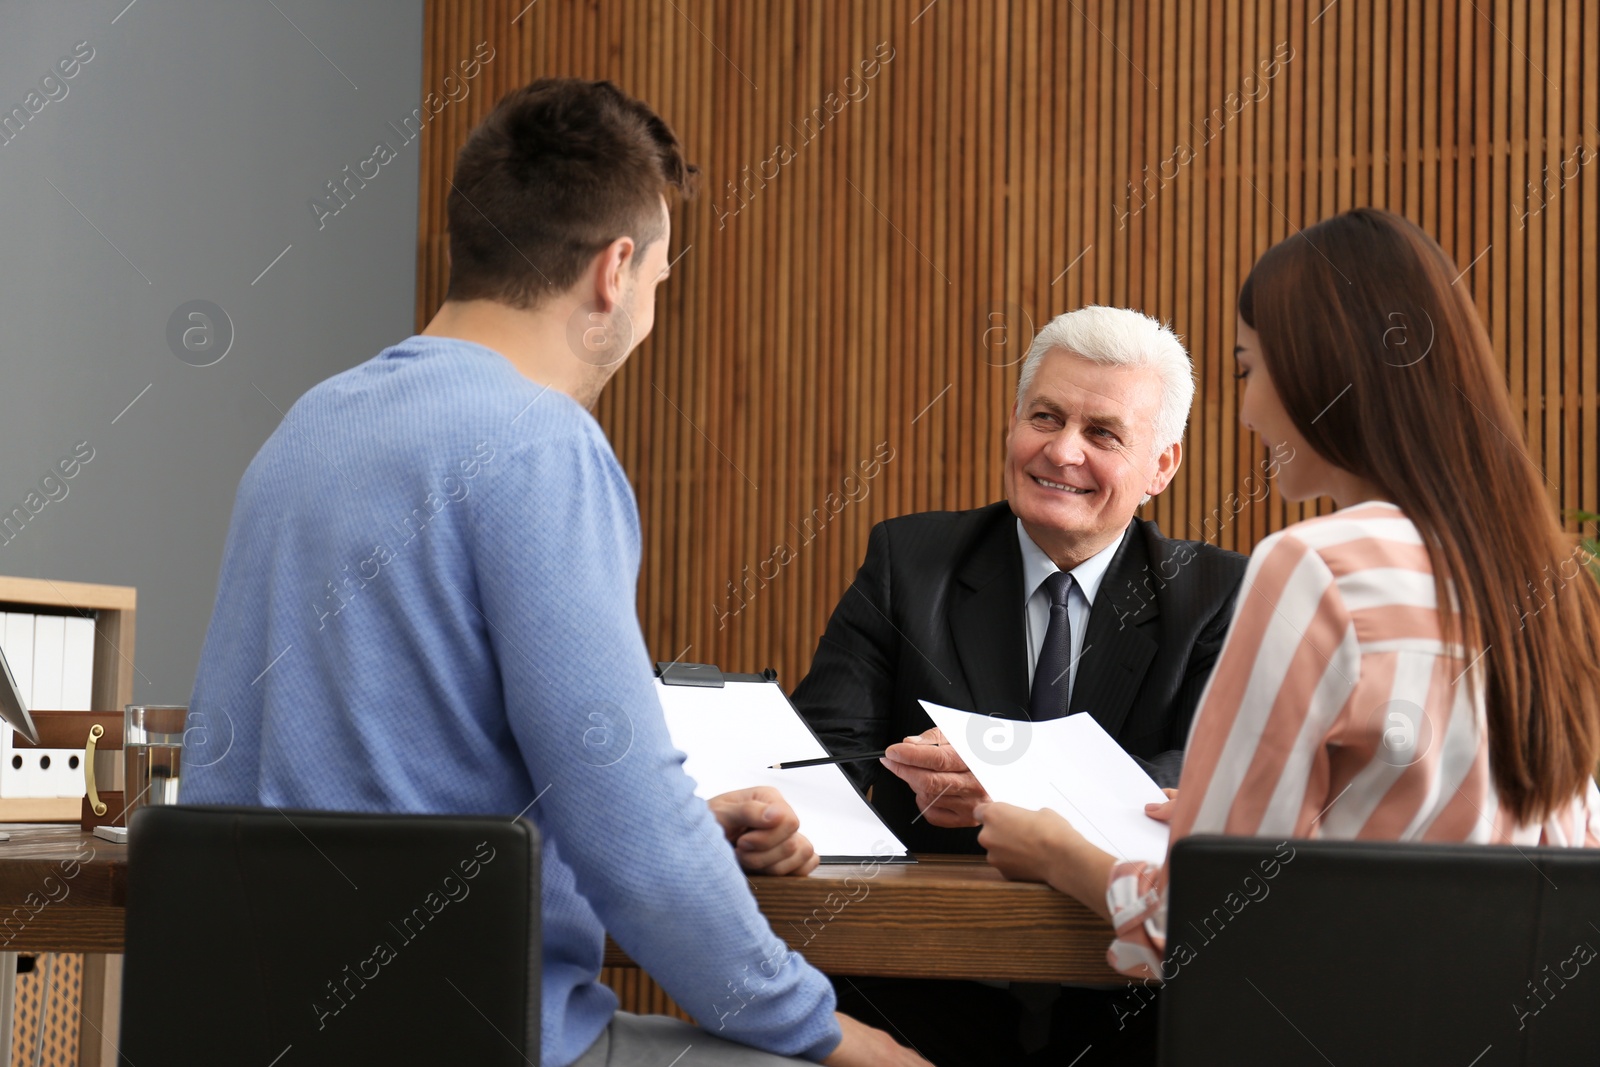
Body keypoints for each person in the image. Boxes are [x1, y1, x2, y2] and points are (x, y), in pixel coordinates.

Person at [183, 79, 927, 1067]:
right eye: (663, 277)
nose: (652, 304)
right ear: (615, 271)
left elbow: (350, 789)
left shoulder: (303, 430)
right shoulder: (541, 445)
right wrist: (824, 1026)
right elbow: (640, 854)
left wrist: (671, 822)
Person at [976, 207, 1600, 1060]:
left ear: (1318, 372)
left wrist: (1058, 851)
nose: (1245, 412)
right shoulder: (1553, 579)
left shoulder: (1314, 568)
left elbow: (1197, 927)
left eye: (1247, 367)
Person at [790, 305, 1247, 1063]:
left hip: (1128, 996)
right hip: (921, 978)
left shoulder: (1219, 596)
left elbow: (1199, 782)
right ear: (1013, 421)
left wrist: (1011, 780)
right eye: (1044, 416)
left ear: (1162, 465)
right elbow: (823, 751)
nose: (1062, 450)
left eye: (1102, 433)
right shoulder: (911, 562)